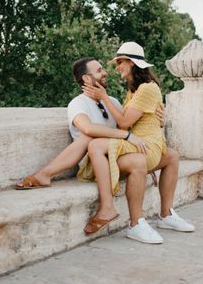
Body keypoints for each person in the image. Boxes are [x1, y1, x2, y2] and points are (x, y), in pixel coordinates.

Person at [16, 44, 194, 243]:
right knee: (121, 154)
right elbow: (91, 130)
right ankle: (132, 222)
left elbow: (131, 126)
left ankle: (166, 215)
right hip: (95, 161)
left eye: (117, 63)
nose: (108, 71)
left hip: (114, 155)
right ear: (86, 79)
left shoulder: (115, 101)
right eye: (99, 70)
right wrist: (127, 137)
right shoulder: (78, 103)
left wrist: (157, 123)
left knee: (171, 156)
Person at [78, 42, 193, 244]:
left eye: (120, 62)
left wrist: (103, 97)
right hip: (148, 145)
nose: (117, 67)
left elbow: (123, 123)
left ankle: (133, 222)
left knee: (96, 146)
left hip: (147, 146)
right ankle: (165, 215)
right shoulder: (134, 91)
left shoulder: (147, 89)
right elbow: (127, 127)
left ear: (131, 63)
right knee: (172, 156)